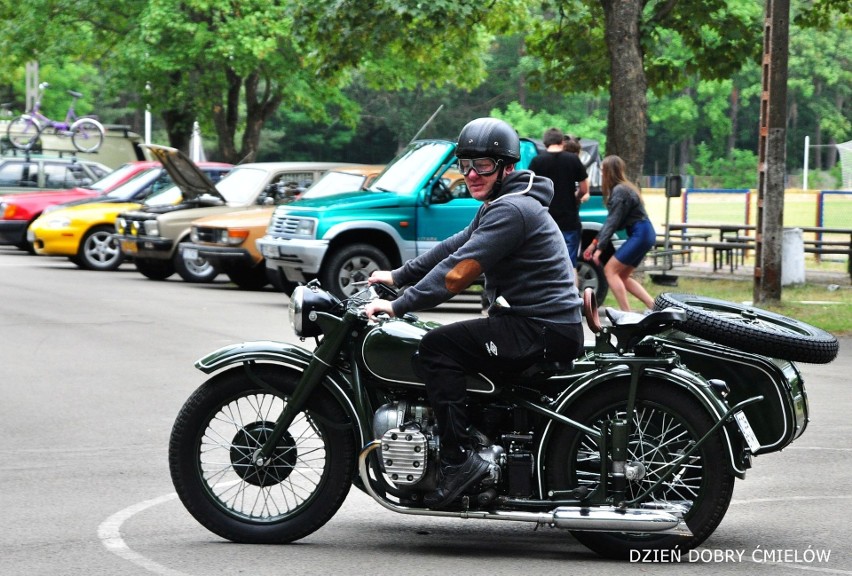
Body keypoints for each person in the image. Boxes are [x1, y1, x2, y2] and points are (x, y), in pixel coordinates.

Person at [364, 118, 584, 510]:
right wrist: (397, 276)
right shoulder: (502, 206)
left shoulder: (512, 211)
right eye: (464, 164)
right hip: (536, 323)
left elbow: (458, 272)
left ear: (506, 167)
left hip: (540, 327)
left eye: (483, 164)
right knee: (450, 343)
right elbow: (451, 246)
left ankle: (456, 460)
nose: (471, 174)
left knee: (436, 348)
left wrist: (399, 304)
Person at [583, 155, 656, 312]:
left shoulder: (620, 191)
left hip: (641, 233)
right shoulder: (624, 188)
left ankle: (626, 314)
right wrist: (594, 244)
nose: (601, 174)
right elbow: (611, 222)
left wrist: (600, 249)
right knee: (622, 276)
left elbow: (612, 222)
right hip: (644, 233)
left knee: (610, 271)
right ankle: (654, 306)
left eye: (603, 170)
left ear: (609, 172)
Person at [528, 127, 589, 272]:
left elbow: (529, 190)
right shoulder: (573, 159)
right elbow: (584, 188)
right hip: (569, 220)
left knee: (545, 264)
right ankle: (572, 295)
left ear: (544, 143)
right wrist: (577, 197)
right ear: (562, 141)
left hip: (545, 222)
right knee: (570, 264)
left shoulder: (537, 161)